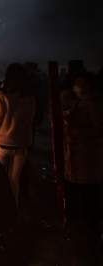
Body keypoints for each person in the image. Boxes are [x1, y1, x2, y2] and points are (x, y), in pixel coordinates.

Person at [61, 73, 103, 265]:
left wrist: (75, 130)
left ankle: (91, 242)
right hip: (77, 161)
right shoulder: (80, 104)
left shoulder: (94, 105)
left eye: (80, 84)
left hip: (88, 161)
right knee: (81, 198)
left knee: (89, 201)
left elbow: (97, 130)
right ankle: (82, 234)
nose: (77, 88)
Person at [0, 63, 36, 207]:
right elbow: (30, 120)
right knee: (14, 182)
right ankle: (13, 213)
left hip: (2, 145)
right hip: (21, 145)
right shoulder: (29, 98)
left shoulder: (2, 96)